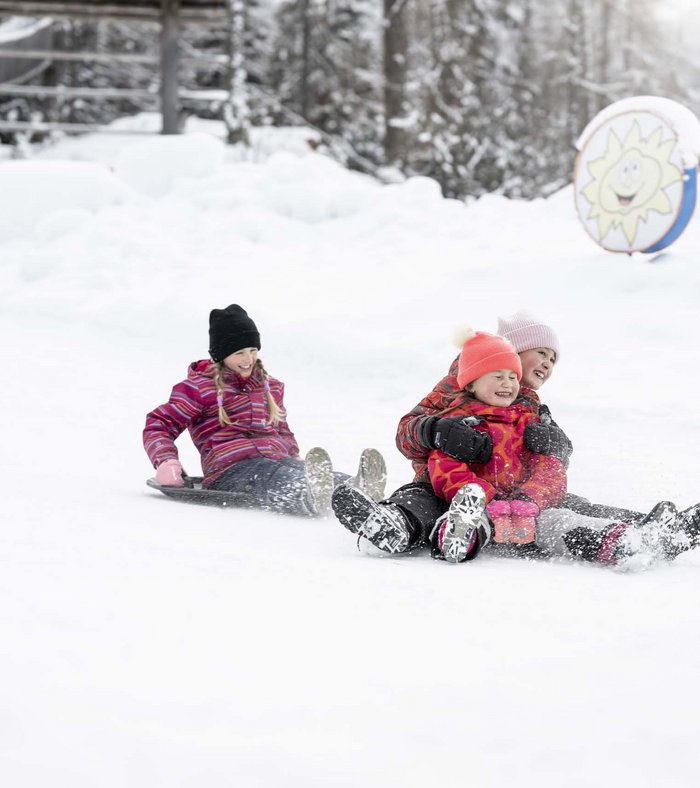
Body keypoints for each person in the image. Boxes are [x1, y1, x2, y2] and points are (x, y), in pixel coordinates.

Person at [332, 312, 700, 567]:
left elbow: (557, 462)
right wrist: (438, 431)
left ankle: (645, 530)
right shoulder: (457, 388)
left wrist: (554, 443)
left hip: (521, 492)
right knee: (419, 498)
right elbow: (407, 432)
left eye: (554, 359)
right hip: (449, 488)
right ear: (510, 351)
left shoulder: (533, 405)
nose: (548, 365)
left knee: (573, 504)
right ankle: (394, 525)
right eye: (541, 353)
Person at [144, 304, 386, 517]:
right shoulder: (199, 388)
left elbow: (281, 429)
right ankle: (307, 496)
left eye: (253, 350)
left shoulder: (268, 386)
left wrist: (293, 454)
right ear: (221, 355)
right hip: (230, 470)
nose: (248, 358)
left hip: (276, 458)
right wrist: (166, 461)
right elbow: (159, 424)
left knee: (296, 470)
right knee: (269, 476)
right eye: (239, 353)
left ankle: (354, 489)